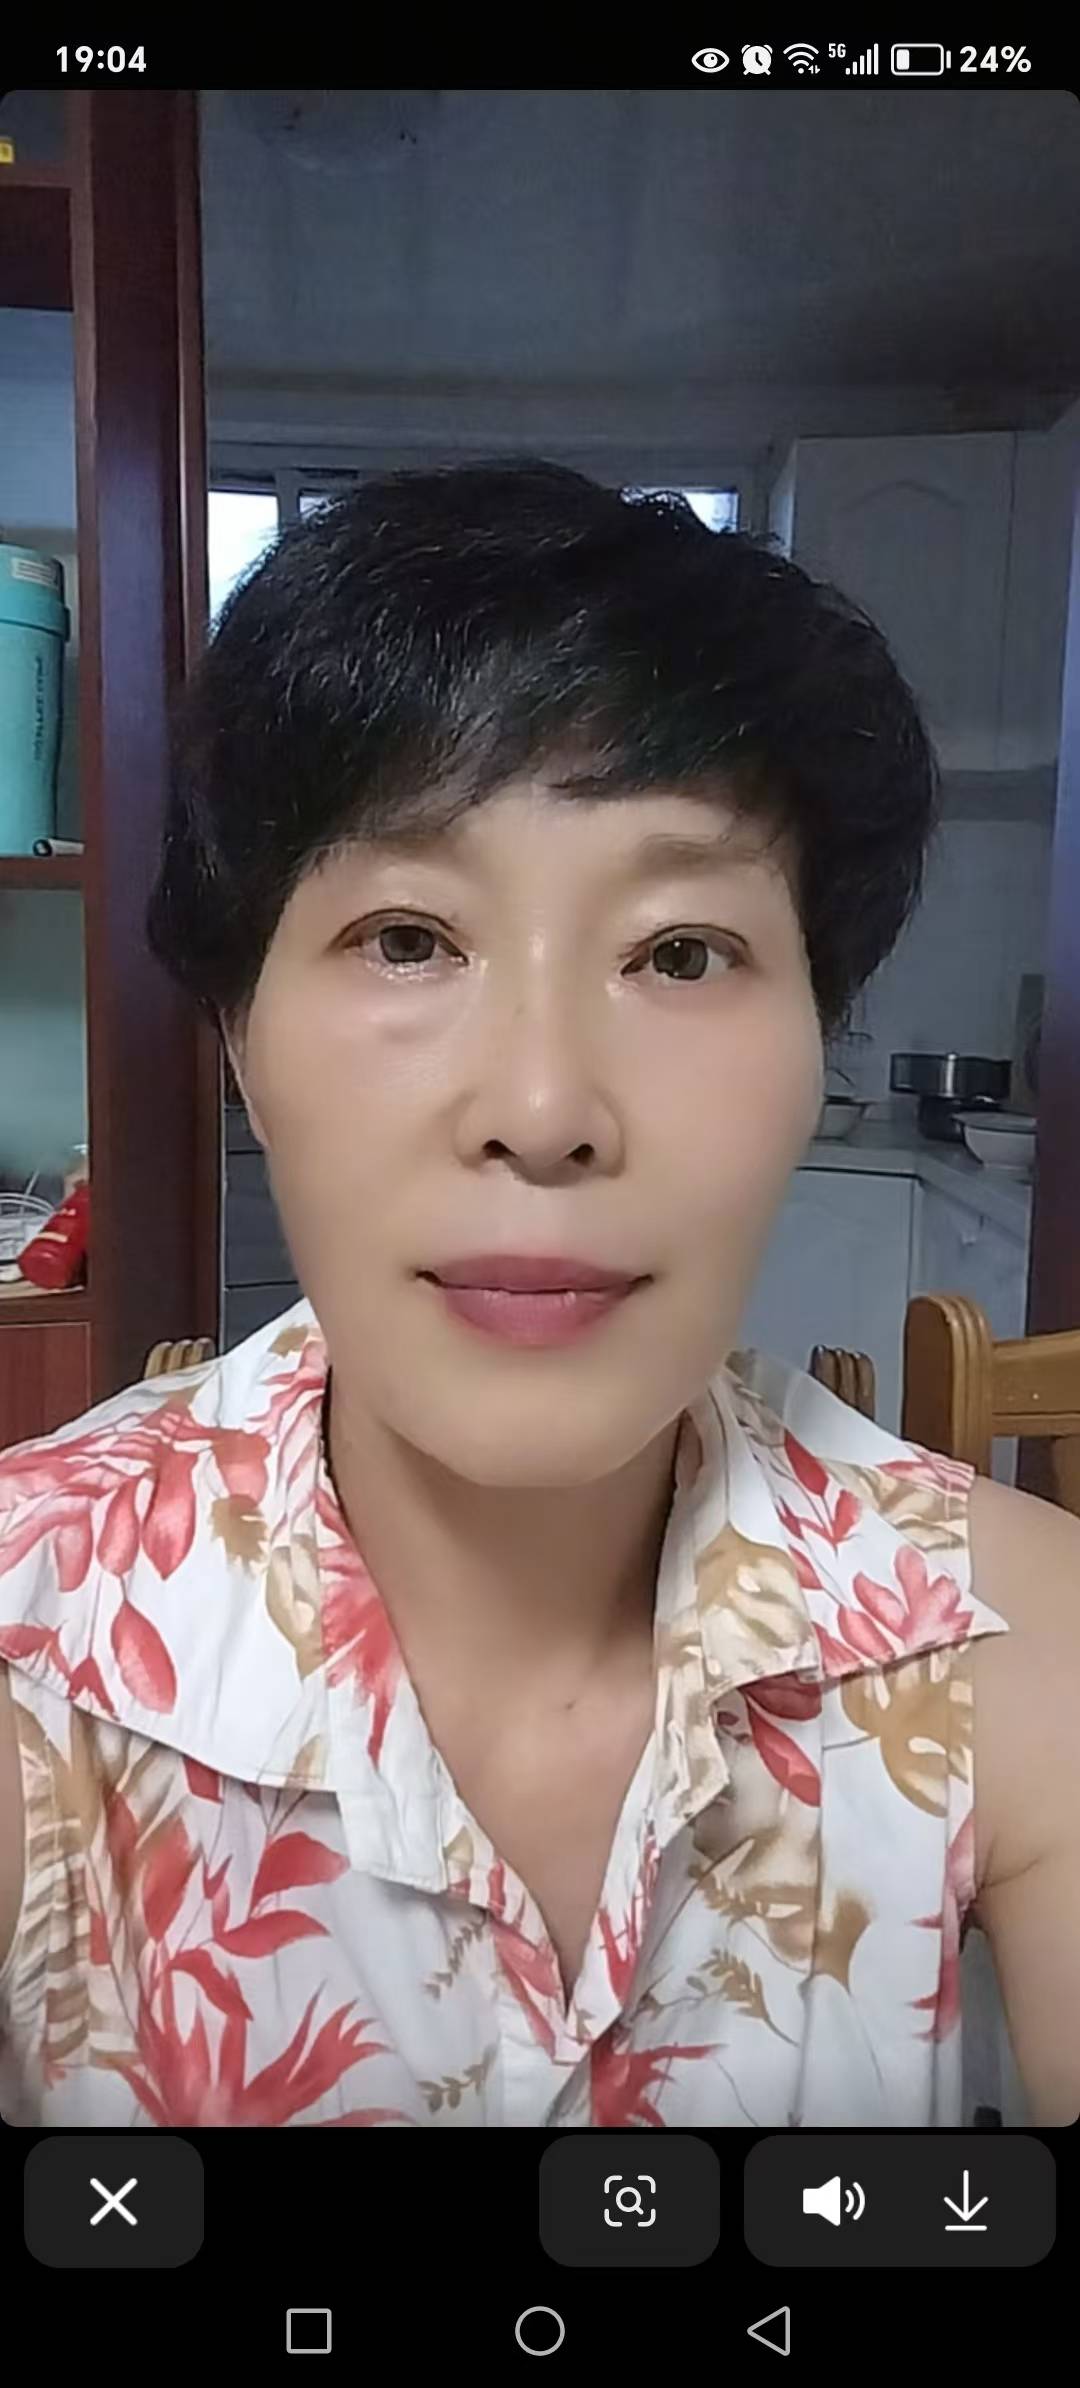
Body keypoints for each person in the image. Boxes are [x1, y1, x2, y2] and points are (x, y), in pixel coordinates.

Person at [1, 459, 1078, 2130]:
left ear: (817, 1043)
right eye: (408, 937)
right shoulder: (31, 1637)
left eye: (680, 953)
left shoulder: (1009, 1641)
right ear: (240, 1041)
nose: (545, 1106)